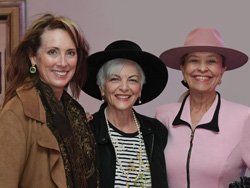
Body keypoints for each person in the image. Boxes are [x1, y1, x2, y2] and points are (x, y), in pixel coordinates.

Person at [0, 14, 98, 187]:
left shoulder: (75, 113)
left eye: (70, 53)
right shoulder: (16, 112)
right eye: (52, 52)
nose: (62, 62)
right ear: (33, 57)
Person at [155, 27, 250, 188]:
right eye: (194, 60)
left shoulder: (244, 117)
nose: (202, 68)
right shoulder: (163, 115)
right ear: (183, 68)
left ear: (222, 70)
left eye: (211, 61)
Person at [82, 40, 169, 187]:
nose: (124, 88)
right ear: (102, 88)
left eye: (132, 80)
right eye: (115, 79)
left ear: (140, 89)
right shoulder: (87, 130)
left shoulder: (157, 132)